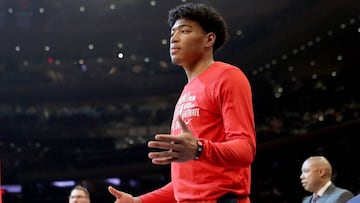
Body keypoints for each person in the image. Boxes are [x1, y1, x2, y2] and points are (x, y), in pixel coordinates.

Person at [108, 2, 256, 203]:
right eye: (172, 34)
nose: (174, 38)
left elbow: (246, 150)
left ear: (209, 39)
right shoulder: (186, 92)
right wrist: (138, 201)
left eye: (184, 31)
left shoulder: (228, 76)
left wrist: (200, 149)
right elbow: (184, 184)